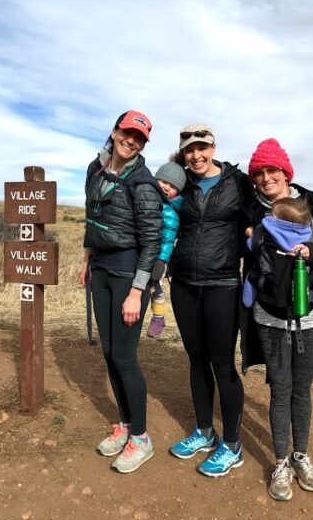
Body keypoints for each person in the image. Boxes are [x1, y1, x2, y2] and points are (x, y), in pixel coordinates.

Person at [240, 137, 313, 501]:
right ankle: (280, 463)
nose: (266, 178)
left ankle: (301, 455)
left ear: (286, 172)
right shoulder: (251, 208)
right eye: (259, 173)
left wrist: (311, 251)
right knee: (281, 389)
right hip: (268, 316)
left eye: (272, 170)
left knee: (301, 390)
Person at [78, 110, 163, 473]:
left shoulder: (143, 183)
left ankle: (142, 438)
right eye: (127, 132)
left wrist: (136, 292)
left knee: (125, 358)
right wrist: (85, 259)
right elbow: (91, 216)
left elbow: (152, 241)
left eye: (139, 138)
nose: (131, 140)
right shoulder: (94, 170)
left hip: (129, 274)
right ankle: (126, 425)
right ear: (114, 132)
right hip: (100, 270)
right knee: (110, 354)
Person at [167, 123, 253, 477]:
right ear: (183, 153)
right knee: (196, 360)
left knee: (222, 364)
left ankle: (231, 444)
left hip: (222, 285)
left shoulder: (238, 182)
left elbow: (261, 214)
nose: (196, 155)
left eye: (202, 147)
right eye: (189, 149)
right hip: (184, 283)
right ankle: (204, 430)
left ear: (213, 148)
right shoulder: (180, 182)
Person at [146, 161, 185, 338]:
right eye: (163, 182)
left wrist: (161, 260)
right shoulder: (148, 198)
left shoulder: (170, 210)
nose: (167, 187)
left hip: (157, 256)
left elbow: (168, 239)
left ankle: (158, 317)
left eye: (173, 186)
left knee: (155, 286)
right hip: (143, 251)